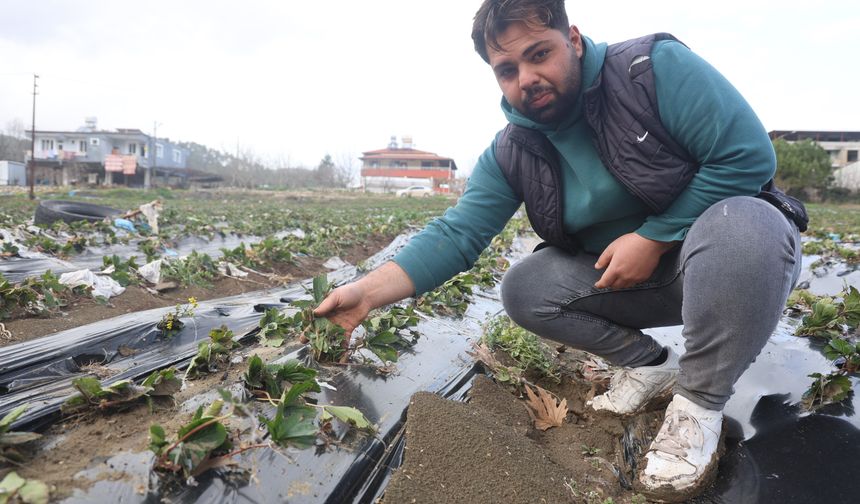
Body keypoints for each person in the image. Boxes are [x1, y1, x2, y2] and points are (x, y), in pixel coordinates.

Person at [315, 0, 807, 499]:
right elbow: (457, 233)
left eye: (539, 54)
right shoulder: (513, 149)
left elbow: (746, 154)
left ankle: (699, 404)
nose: (526, 77)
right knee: (525, 287)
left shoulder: (650, 71)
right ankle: (652, 364)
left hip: (730, 261)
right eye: (507, 69)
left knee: (744, 222)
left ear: (571, 39)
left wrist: (653, 236)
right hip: (638, 281)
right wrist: (367, 293)